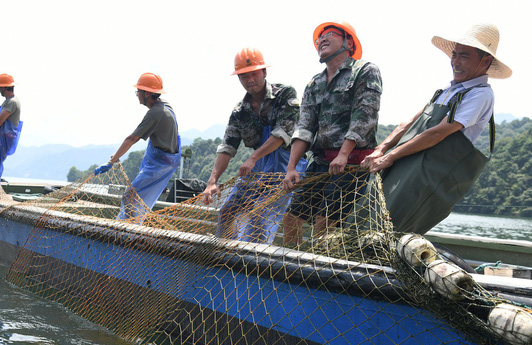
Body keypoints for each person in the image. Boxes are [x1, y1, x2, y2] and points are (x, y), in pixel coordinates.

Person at [361, 23, 511, 234]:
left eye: (464, 56)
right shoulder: (448, 90)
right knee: (366, 218)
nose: (455, 62)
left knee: (389, 228)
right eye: (454, 55)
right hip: (402, 164)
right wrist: (382, 149)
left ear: (485, 61)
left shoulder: (481, 94)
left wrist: (391, 156)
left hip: (424, 177)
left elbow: (439, 132)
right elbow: (410, 122)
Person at [282, 21, 382, 245]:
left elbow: (364, 116)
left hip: (352, 164)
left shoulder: (364, 71)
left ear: (348, 42)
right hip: (320, 163)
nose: (322, 40)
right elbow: (305, 127)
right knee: (291, 219)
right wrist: (291, 168)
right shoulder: (314, 84)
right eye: (319, 38)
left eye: (329, 34)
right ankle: (292, 271)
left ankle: (318, 273)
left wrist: (344, 153)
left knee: (324, 222)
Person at [201, 47, 307, 244]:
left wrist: (252, 158)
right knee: (227, 210)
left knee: (258, 215)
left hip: (286, 166)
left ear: (264, 73)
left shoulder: (285, 94)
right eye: (243, 76)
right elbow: (227, 146)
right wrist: (212, 181)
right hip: (258, 169)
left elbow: (281, 133)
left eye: (254, 74)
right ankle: (224, 257)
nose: (250, 80)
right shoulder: (240, 111)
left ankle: (250, 267)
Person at [95, 73, 181, 220]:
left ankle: (126, 231)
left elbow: (131, 138)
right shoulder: (165, 106)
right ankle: (133, 225)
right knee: (137, 199)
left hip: (159, 166)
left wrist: (112, 161)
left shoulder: (155, 113)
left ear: (147, 93)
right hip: (164, 162)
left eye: (138, 92)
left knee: (129, 197)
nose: (137, 95)